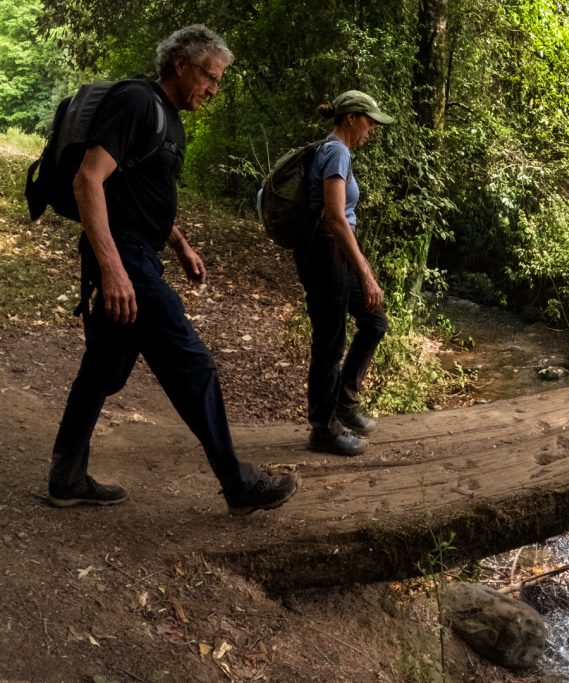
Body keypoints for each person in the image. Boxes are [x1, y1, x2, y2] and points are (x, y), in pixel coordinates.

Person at [47, 25, 298, 515]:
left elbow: (140, 193)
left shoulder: (169, 120)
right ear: (180, 64)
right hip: (127, 258)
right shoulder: (138, 102)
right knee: (193, 364)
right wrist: (114, 268)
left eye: (218, 81)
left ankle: (66, 476)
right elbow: (88, 180)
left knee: (101, 369)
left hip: (141, 251)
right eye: (209, 76)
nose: (213, 89)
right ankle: (238, 483)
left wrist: (179, 243)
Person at [295, 90, 393, 456]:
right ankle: (322, 429)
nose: (372, 130)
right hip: (324, 254)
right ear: (351, 118)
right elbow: (336, 217)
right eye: (369, 122)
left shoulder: (336, 151)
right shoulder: (336, 151)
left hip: (332, 254)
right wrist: (366, 272)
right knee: (330, 341)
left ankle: (345, 404)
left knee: (374, 322)